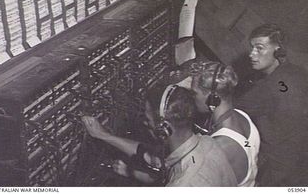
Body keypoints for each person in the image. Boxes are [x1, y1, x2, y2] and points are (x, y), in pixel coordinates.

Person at [82, 84, 237, 186]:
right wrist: (104, 135)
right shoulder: (206, 143)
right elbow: (156, 158)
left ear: (164, 129)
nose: (145, 123)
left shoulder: (184, 184)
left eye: (148, 120)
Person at [235, 24, 308, 186]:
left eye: (259, 48)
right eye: (252, 48)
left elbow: (233, 110)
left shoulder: (269, 87)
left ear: (278, 50)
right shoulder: (297, 72)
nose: (251, 54)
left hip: (280, 173)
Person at [190, 61, 260, 187]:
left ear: (213, 98)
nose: (193, 97)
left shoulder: (221, 146)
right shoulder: (242, 115)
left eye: (195, 93)